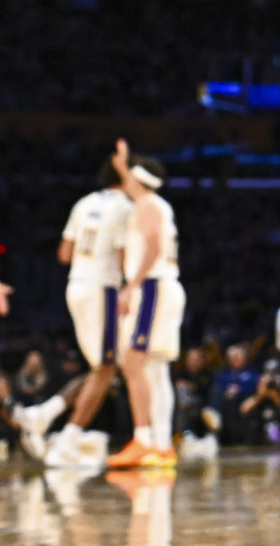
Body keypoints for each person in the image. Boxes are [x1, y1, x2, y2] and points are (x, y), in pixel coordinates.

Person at [24, 156, 133, 467]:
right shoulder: (125, 207)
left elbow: (64, 253)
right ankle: (65, 440)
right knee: (106, 367)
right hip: (104, 287)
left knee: (102, 367)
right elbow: (125, 260)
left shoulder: (84, 203)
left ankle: (44, 415)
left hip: (77, 285)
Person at [107, 144, 185, 470]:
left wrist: (132, 285)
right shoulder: (155, 202)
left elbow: (152, 245)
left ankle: (143, 438)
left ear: (138, 182)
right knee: (154, 369)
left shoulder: (147, 206)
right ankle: (161, 445)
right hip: (164, 287)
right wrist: (125, 166)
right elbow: (133, 185)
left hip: (152, 287)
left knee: (133, 361)